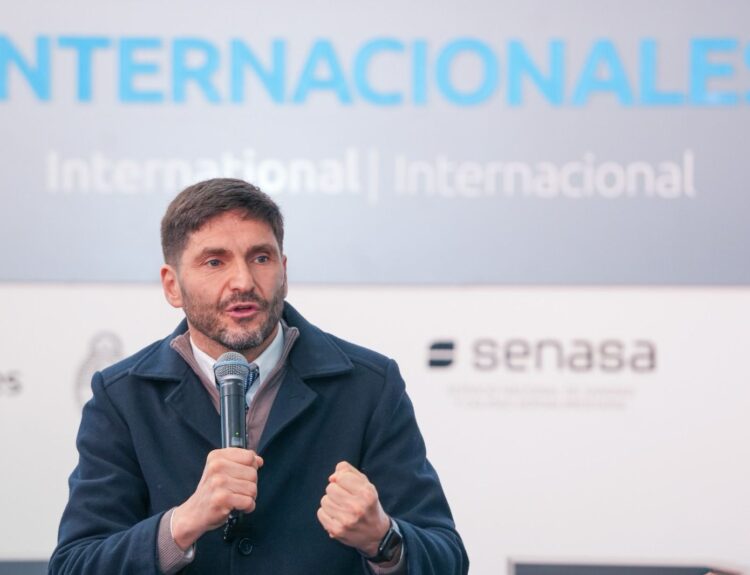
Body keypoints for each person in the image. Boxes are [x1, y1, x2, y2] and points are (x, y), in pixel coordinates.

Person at [49, 178, 469, 574]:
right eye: (215, 261)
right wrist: (181, 524)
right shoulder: (122, 397)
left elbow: (447, 557)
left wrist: (383, 538)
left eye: (261, 258)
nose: (243, 281)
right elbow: (75, 564)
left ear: (283, 270)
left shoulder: (369, 386)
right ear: (172, 285)